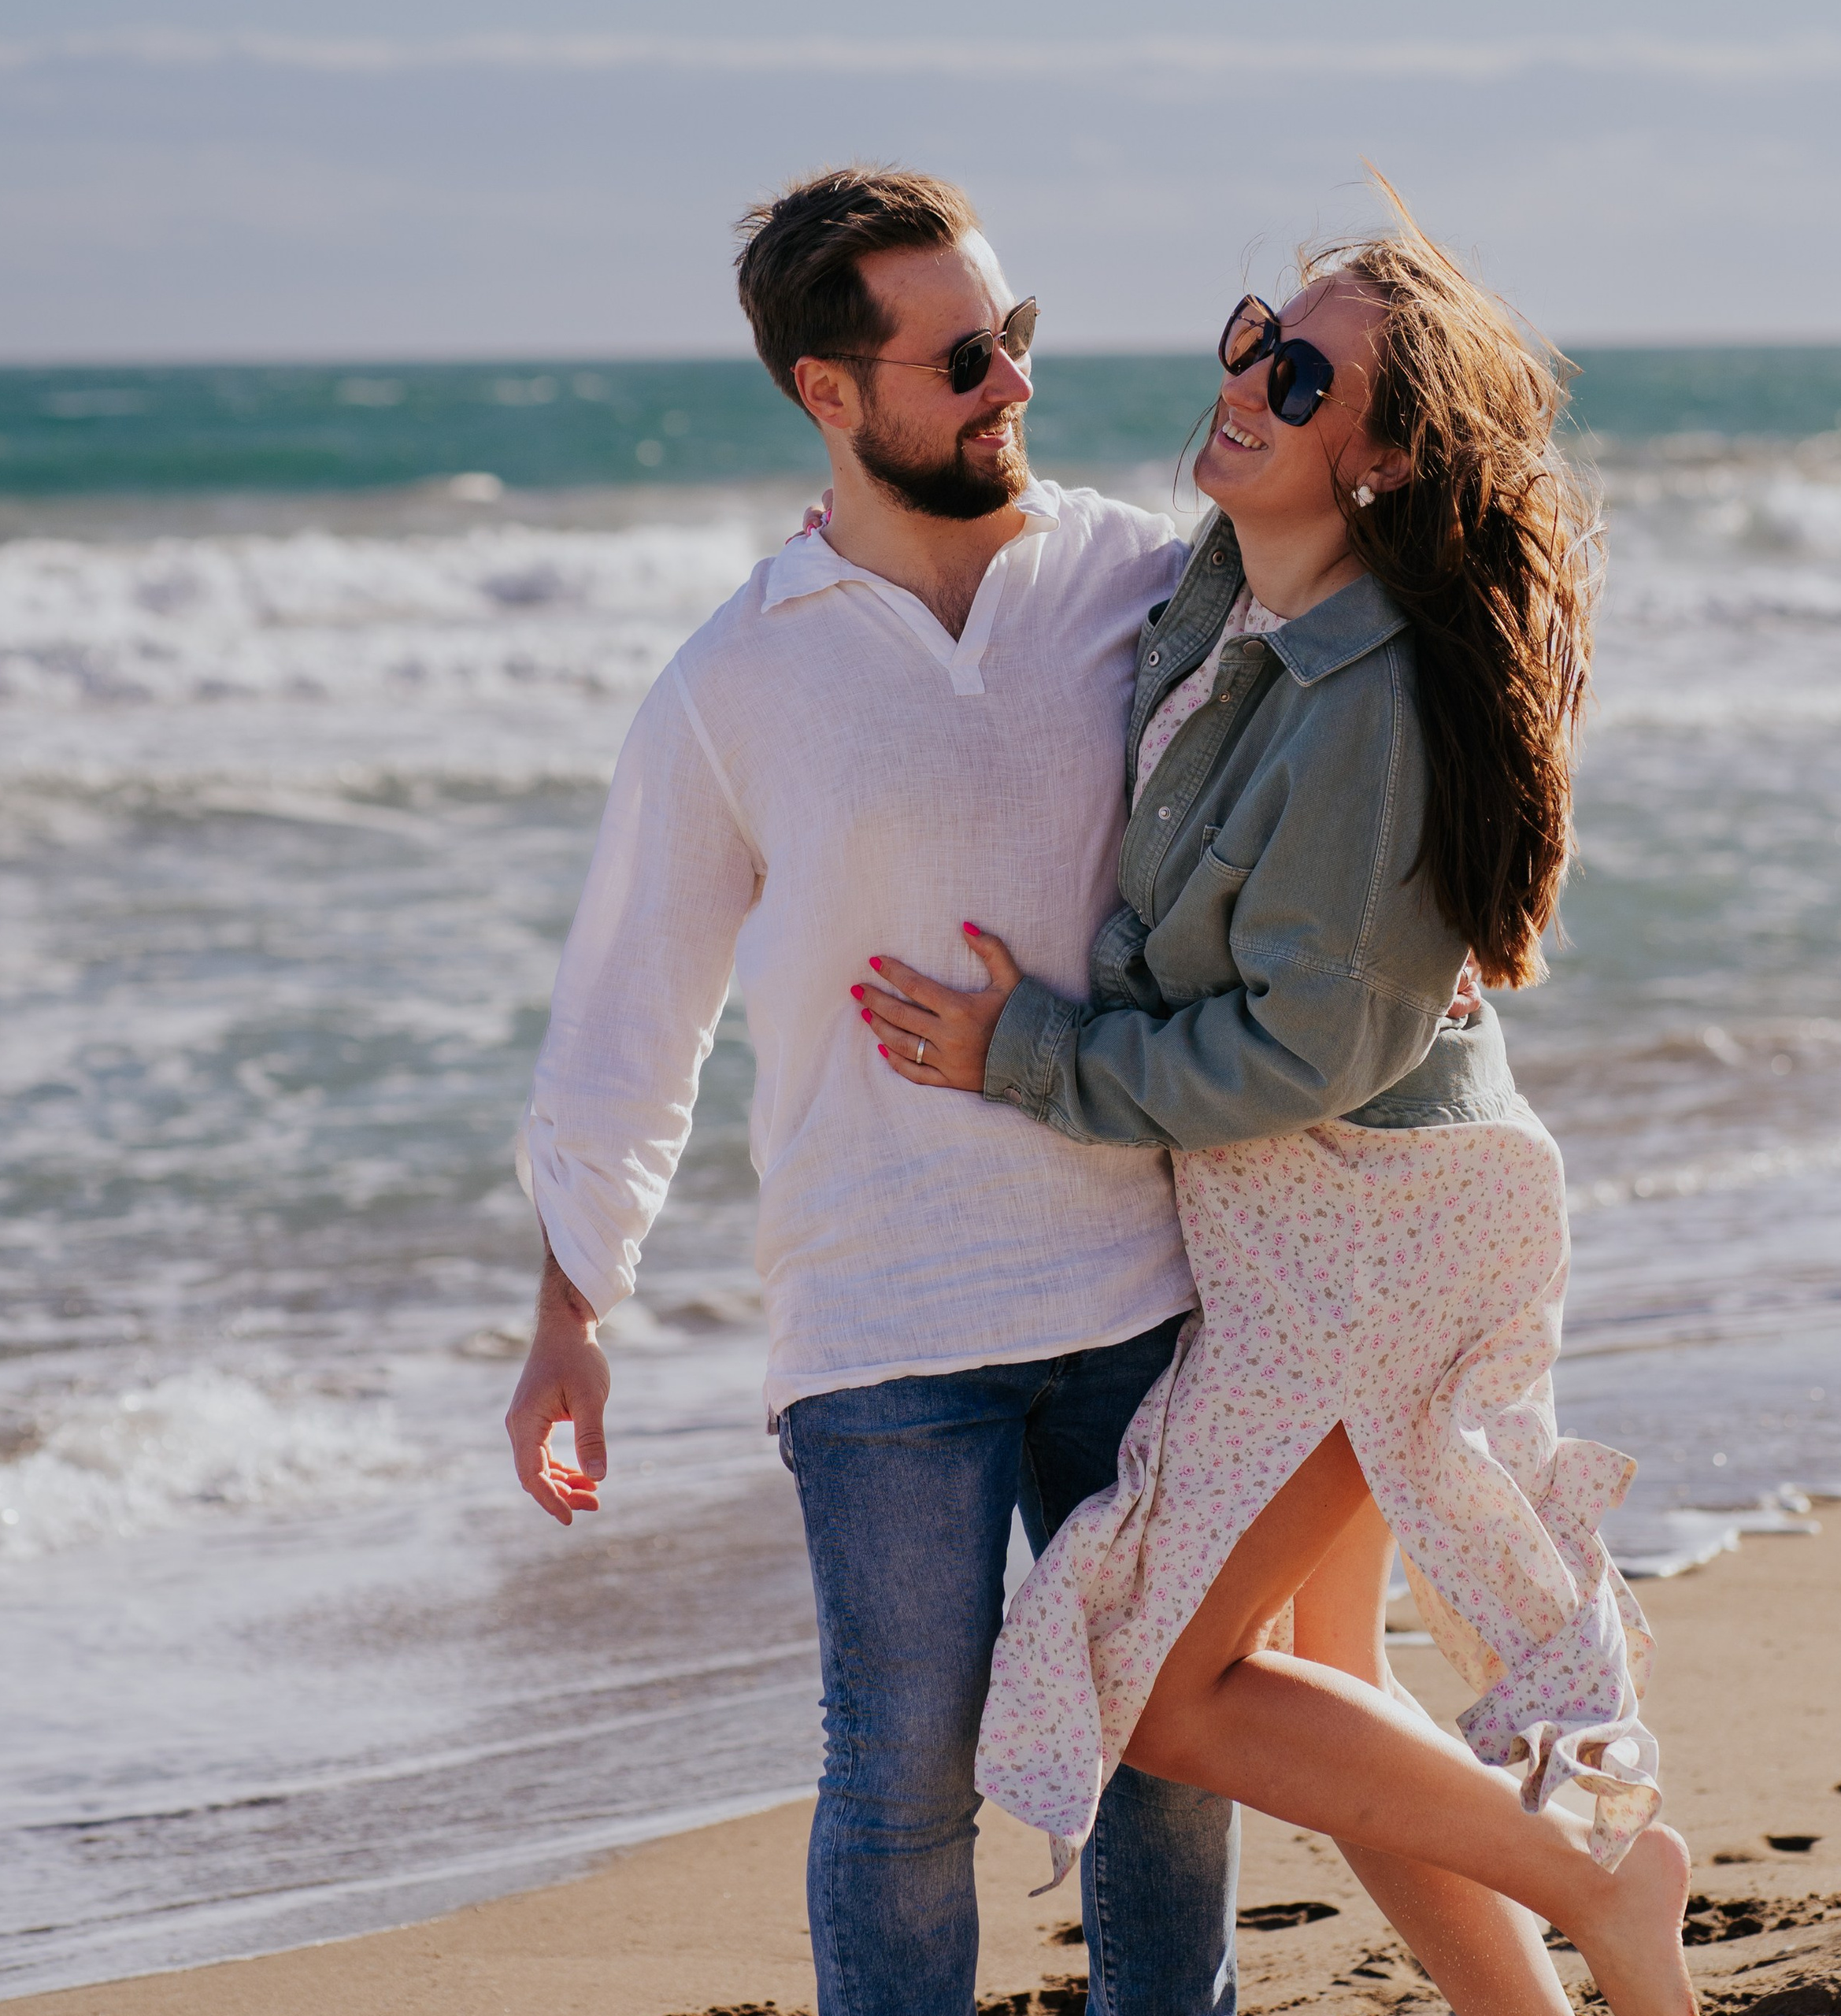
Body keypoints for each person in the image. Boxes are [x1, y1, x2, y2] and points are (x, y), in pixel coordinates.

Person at [853, 183, 1698, 2016]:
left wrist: (1027, 1055)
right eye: (1253, 331)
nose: (1244, 377)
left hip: (1372, 1216)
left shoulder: (1365, 703)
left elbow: (1296, 1052)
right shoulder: (1228, 593)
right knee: (1331, 1688)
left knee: (1177, 1685)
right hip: (1310, 1206)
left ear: (1384, 455)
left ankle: (1597, 1881)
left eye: (1299, 373)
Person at [508, 166, 1243, 2016]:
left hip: (1142, 1277)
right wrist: (568, 1313)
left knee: (1164, 1745)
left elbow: (1325, 774)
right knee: (903, 1776)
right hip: (880, 1319)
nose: (1011, 384)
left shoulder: (1137, 583)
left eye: (1018, 337)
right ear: (827, 394)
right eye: (963, 356)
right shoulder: (731, 682)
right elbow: (629, 1003)